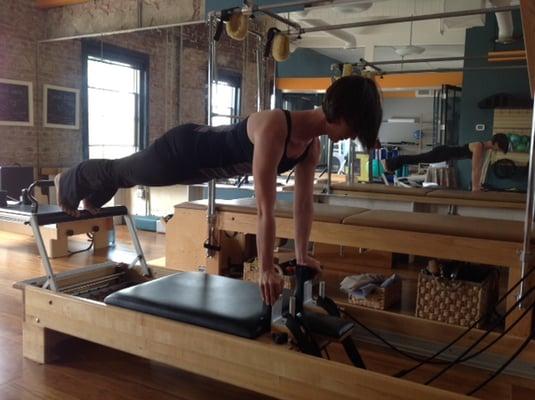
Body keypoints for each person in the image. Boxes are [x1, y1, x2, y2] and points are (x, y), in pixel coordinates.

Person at [55, 75, 383, 305]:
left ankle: (90, 193)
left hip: (201, 169)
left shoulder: (312, 148)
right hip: (183, 151)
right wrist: (267, 267)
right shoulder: (275, 127)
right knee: (123, 171)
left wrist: (300, 256)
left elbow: (303, 206)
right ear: (341, 114)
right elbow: (265, 209)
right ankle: (67, 179)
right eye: (355, 128)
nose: (353, 136)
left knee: (126, 175)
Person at [384, 134, 509, 192]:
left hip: (445, 154)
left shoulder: (483, 149)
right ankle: (391, 163)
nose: (499, 150)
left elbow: (479, 168)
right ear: (496, 143)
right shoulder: (479, 147)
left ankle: (393, 163)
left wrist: (478, 186)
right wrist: (476, 188)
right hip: (443, 153)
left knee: (418, 158)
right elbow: (475, 168)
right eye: (500, 148)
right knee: (418, 158)